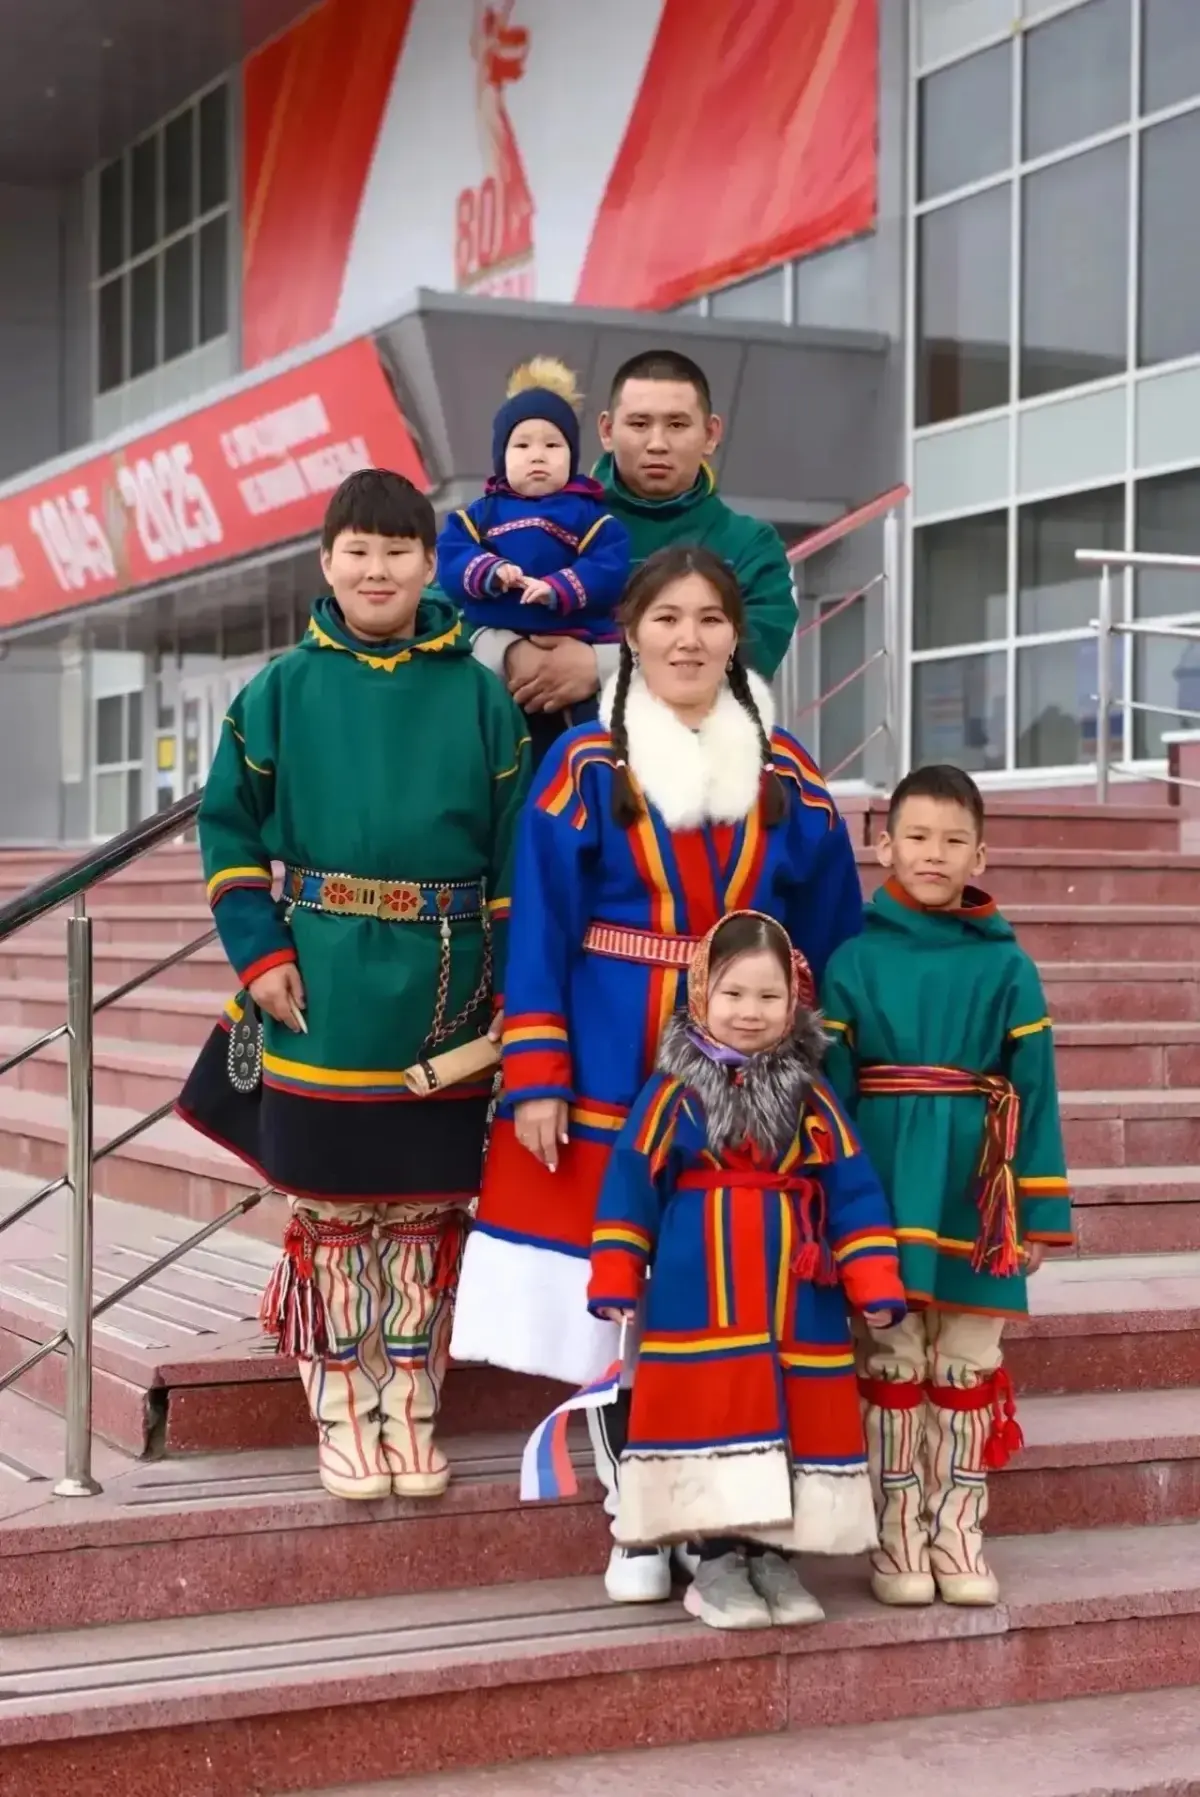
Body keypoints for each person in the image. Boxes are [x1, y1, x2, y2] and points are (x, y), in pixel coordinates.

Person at [450, 542, 863, 1604]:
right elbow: (540, 923)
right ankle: (635, 1516)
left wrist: (828, 1064)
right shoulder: (586, 761)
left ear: (737, 638)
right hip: (605, 1059)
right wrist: (536, 1066)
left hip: (753, 1072)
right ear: (629, 633)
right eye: (667, 618)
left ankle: (721, 1514)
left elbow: (835, 930)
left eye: (710, 618)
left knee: (725, 1287)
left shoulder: (786, 772)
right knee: (617, 1290)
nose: (689, 638)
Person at [176, 469, 530, 1504]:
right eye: (358, 550)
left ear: (430, 563)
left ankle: (409, 1406)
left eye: (398, 550)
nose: (378, 569)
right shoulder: (280, 690)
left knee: (423, 1212)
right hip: (317, 977)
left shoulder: (480, 695)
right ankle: (340, 1407)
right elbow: (227, 828)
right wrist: (260, 953)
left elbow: (516, 855)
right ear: (327, 561)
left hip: (448, 982)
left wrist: (509, 982)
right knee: (334, 1213)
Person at [587, 911, 905, 1631]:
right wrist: (615, 1273)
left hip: (797, 1292)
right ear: (702, 994)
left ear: (793, 1002)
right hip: (699, 1290)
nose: (750, 1012)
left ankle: (773, 1558)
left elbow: (852, 1189)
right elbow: (632, 1180)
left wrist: (874, 1279)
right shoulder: (673, 1090)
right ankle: (716, 1563)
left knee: (791, 1412)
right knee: (713, 1408)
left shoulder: (812, 1093)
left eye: (768, 996)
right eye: (733, 993)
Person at [820, 764, 1073, 1609]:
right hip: (886, 1180)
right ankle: (897, 1534)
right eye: (918, 836)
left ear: (981, 854)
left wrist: (1037, 1206)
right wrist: (834, 1202)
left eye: (954, 839)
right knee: (891, 1352)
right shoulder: (853, 960)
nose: (934, 853)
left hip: (978, 1188)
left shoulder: (1009, 966)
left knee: (966, 1360)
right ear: (884, 845)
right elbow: (832, 1095)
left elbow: (1035, 1090)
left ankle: (957, 1531)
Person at [470, 348, 797, 738]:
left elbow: (750, 658)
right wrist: (508, 653)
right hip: (526, 759)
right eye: (639, 423)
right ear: (607, 431)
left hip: (681, 765)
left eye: (677, 424)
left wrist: (602, 666)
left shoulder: (750, 545)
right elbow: (440, 610)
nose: (657, 443)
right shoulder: (529, 516)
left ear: (711, 434)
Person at [437, 357, 630, 767]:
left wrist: (559, 586)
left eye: (552, 445)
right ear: (501, 456)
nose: (537, 455)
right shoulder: (482, 514)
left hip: (578, 647)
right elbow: (451, 557)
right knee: (490, 746)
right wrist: (489, 571)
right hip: (497, 661)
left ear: (572, 455)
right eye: (522, 445)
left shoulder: (589, 515)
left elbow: (609, 565)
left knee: (589, 751)